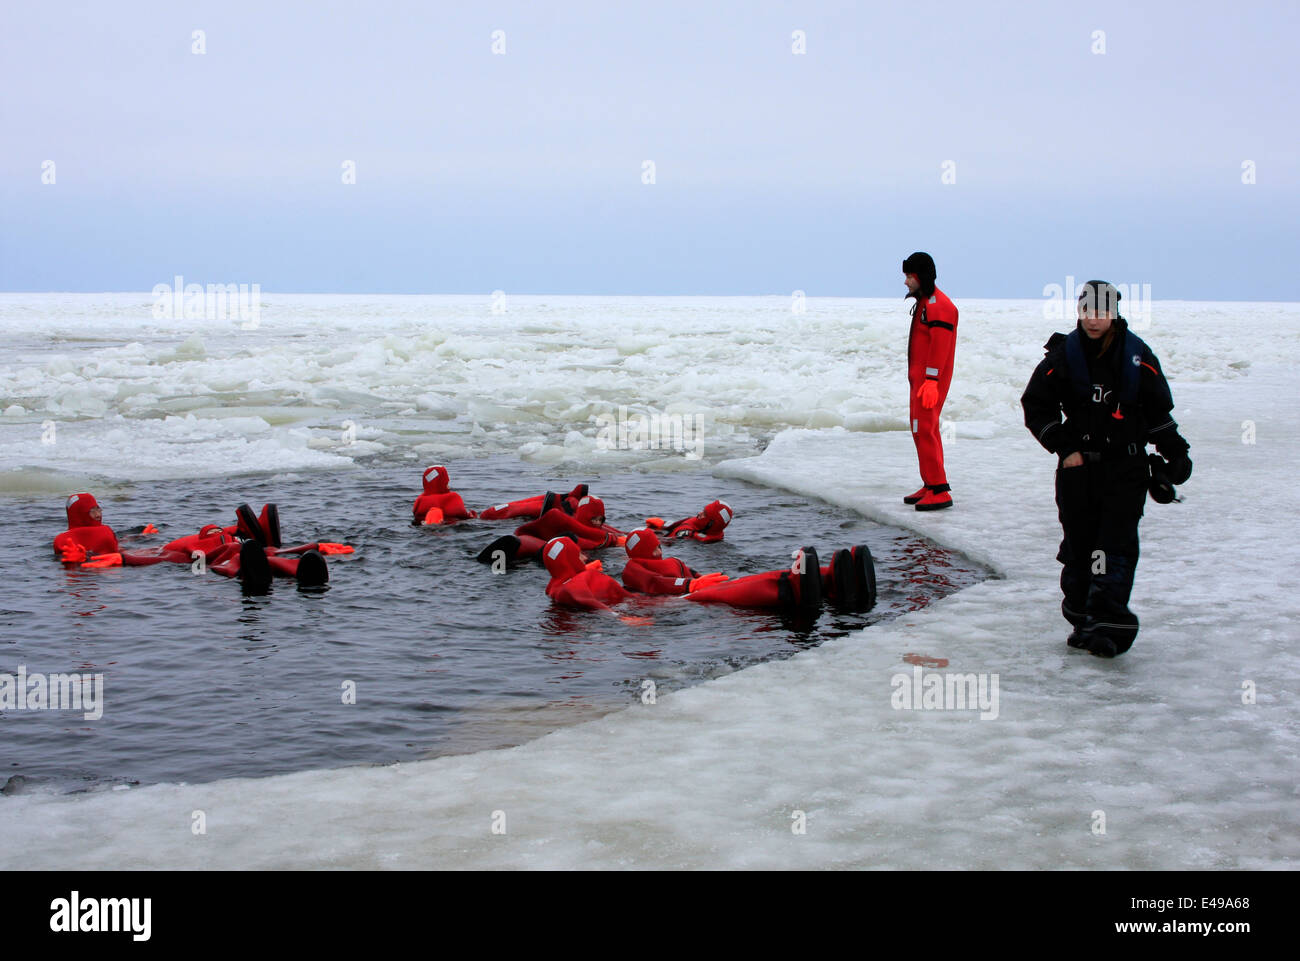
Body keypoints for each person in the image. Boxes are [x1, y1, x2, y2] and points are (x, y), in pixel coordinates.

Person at [1021, 280, 1192, 658]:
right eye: (1086, 311)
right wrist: (1064, 448)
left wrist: (1175, 453)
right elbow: (1036, 407)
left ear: (1114, 313)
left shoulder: (1137, 356)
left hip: (1125, 469)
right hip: (1079, 472)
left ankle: (1109, 626)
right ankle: (1083, 618)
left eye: (1100, 312)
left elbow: (1157, 413)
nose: (1093, 319)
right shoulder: (1063, 356)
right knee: (1081, 549)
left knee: (1112, 548)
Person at [901, 251, 959, 511]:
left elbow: (940, 346)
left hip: (929, 383)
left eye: (908, 276)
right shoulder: (925, 302)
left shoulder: (940, 306)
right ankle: (929, 483)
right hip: (920, 382)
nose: (905, 282)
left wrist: (932, 380)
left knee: (926, 429)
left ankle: (939, 488)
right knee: (919, 429)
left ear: (920, 276)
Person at [620, 527, 729, 595]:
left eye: (659, 547)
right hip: (656, 602)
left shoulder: (671, 561)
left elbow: (688, 571)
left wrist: (704, 579)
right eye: (653, 550)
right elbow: (655, 582)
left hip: (682, 590)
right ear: (641, 553)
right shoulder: (633, 569)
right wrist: (690, 585)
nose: (659, 553)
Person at [412, 466, 477, 525]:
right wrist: (473, 514)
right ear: (443, 483)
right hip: (447, 527)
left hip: (425, 526)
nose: (448, 486)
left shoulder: (419, 501)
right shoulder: (453, 498)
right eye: (447, 483)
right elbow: (465, 517)